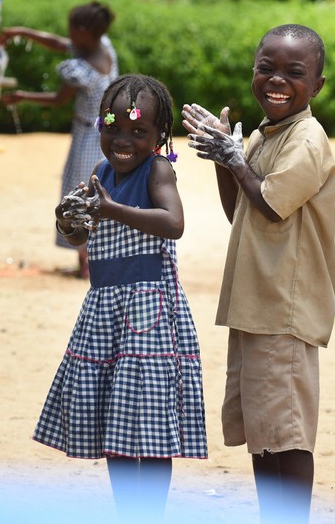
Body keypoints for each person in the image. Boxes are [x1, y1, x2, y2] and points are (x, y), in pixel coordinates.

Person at [181, 24, 335, 524]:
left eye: (294, 73)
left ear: (317, 85)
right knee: (263, 434)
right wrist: (224, 158)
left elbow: (270, 204)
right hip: (257, 306)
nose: (277, 80)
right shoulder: (263, 135)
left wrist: (234, 158)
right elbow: (239, 210)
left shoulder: (307, 138)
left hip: (283, 311)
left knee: (287, 435)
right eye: (266, 68)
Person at [33, 74, 206, 521]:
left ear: (158, 136)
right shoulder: (100, 173)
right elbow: (80, 237)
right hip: (105, 311)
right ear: (100, 126)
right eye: (112, 128)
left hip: (149, 314)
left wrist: (113, 209)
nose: (123, 140)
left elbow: (173, 223)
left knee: (150, 429)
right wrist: (68, 222)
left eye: (137, 131)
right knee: (115, 424)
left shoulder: (157, 170)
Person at [0, 1, 117, 279]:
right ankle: (87, 261)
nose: (68, 35)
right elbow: (57, 43)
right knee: (92, 191)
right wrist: (22, 32)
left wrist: (21, 97)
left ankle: (86, 264)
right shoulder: (102, 46)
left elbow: (58, 99)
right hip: (103, 131)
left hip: (88, 137)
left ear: (84, 31)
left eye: (72, 29)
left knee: (81, 192)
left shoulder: (83, 68)